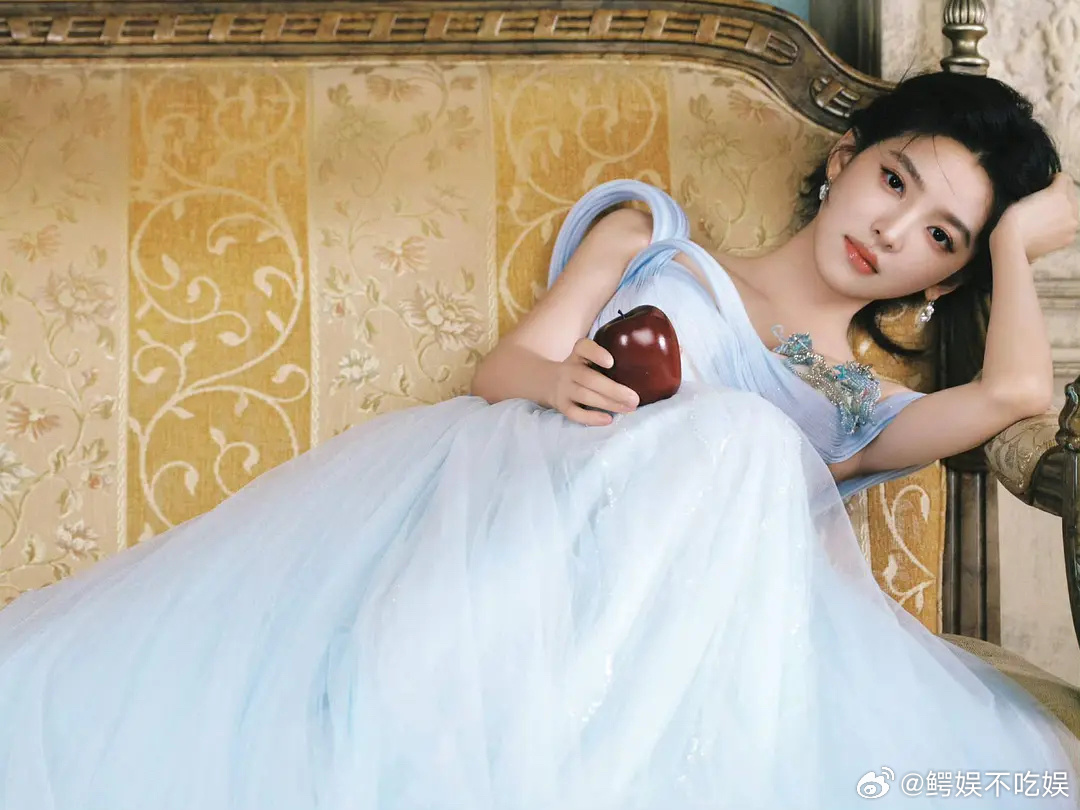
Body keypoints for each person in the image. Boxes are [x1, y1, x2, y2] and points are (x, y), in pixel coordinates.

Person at [0, 71, 1078, 809]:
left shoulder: (858, 411)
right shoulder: (656, 243)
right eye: (893, 180)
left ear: (948, 277)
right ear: (844, 157)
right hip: (520, 553)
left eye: (941, 236)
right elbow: (503, 369)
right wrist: (562, 379)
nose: (891, 230)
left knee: (748, 436)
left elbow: (1018, 389)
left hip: (678, 661)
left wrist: (1019, 241)